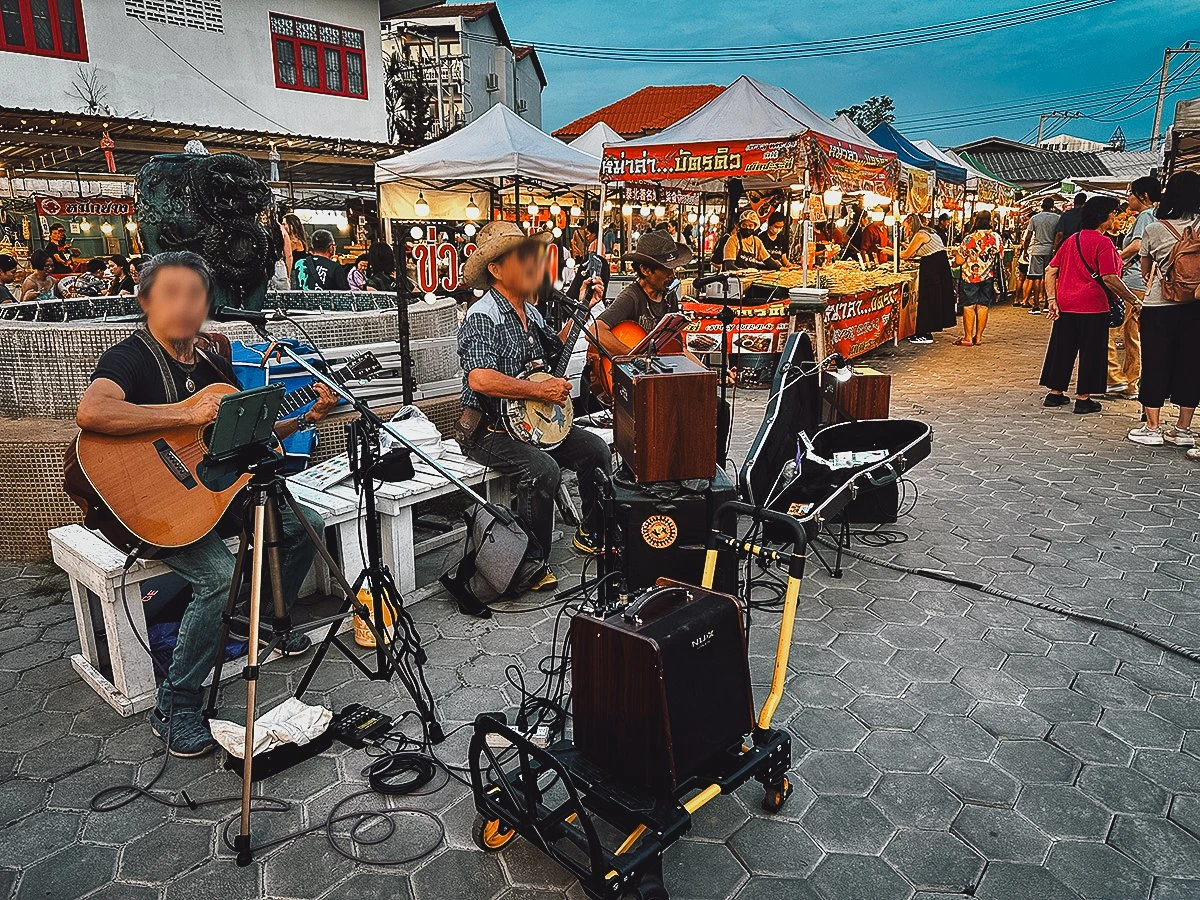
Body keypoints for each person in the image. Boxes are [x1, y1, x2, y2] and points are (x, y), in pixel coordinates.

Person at [73, 251, 338, 756]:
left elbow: (247, 436)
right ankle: (177, 705)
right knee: (215, 575)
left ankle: (248, 619)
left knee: (306, 524)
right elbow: (93, 410)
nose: (185, 305)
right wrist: (184, 411)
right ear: (145, 300)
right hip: (145, 503)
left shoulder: (215, 364)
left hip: (209, 492)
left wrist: (308, 415)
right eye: (171, 293)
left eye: (195, 293)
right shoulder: (131, 357)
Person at [454, 221, 609, 609]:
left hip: (531, 422)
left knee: (596, 451)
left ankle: (590, 531)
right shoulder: (482, 315)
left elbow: (553, 355)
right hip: (489, 430)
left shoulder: (530, 311)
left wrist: (584, 309)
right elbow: (480, 378)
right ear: (496, 269)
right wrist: (540, 390)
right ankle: (530, 560)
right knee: (543, 470)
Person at [1040, 196, 1140, 415]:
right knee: (1091, 352)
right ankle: (1083, 398)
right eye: (1113, 214)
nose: (1115, 218)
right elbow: (1110, 278)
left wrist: (1051, 300)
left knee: (1062, 349)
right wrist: (1133, 299)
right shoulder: (1103, 242)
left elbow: (1050, 271)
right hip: (1093, 305)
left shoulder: (1071, 240)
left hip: (1066, 304)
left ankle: (1055, 393)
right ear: (1103, 217)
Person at [1127, 170, 1200, 450]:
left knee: (1156, 362)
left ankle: (1153, 427)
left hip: (1160, 305)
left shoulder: (1155, 228)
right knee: (1191, 364)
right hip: (1195, 305)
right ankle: (1183, 430)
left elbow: (1146, 272)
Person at [1108, 175, 1161, 399]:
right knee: (1132, 335)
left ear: (1144, 196)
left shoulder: (1146, 215)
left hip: (1130, 281)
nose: (1127, 198)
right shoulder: (1158, 214)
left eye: (1130, 193)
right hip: (1143, 283)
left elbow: (1139, 244)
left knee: (1108, 331)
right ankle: (1130, 383)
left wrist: (1116, 259)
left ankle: (1116, 379)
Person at [897, 214, 956, 344]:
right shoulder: (929, 231)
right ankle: (925, 330)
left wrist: (891, 252)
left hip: (933, 267)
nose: (905, 229)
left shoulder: (920, 235)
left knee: (928, 297)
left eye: (905, 226)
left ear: (910, 224)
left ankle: (925, 333)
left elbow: (906, 255)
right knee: (931, 297)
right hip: (938, 266)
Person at [952, 212, 1003, 345]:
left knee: (969, 306)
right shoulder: (996, 237)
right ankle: (978, 337)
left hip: (970, 277)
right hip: (988, 276)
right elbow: (1001, 255)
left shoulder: (970, 239)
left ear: (976, 220)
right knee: (983, 306)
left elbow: (959, 260)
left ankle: (968, 337)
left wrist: (958, 254)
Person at [1020, 198, 1060, 314]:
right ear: (1052, 206)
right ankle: (1048, 304)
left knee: (1036, 277)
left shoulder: (1035, 218)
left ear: (1042, 206)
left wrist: (1025, 250)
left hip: (1036, 250)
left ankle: (1036, 305)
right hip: (1050, 250)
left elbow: (1028, 236)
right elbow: (1059, 234)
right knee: (1048, 276)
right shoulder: (1057, 218)